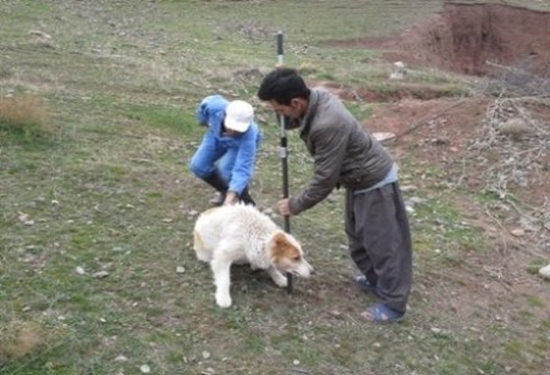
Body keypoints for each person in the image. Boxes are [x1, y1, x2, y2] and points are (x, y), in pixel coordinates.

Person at [257, 68, 412, 323]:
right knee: (358, 239)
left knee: (383, 246)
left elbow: (324, 179)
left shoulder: (328, 124)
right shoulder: (314, 98)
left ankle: (394, 304)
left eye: (281, 111)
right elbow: (297, 119)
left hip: (374, 183)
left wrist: (295, 204)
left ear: (296, 102)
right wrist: (282, 115)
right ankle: (377, 282)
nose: (280, 117)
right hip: (356, 181)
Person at [189, 95, 261, 206]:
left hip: (238, 144)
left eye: (238, 129)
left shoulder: (249, 137)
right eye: (231, 127)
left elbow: (242, 168)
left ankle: (246, 203)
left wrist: (230, 197)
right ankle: (224, 191)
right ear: (224, 116)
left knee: (227, 171)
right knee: (198, 165)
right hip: (216, 136)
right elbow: (204, 108)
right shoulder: (215, 106)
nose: (234, 132)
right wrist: (203, 120)